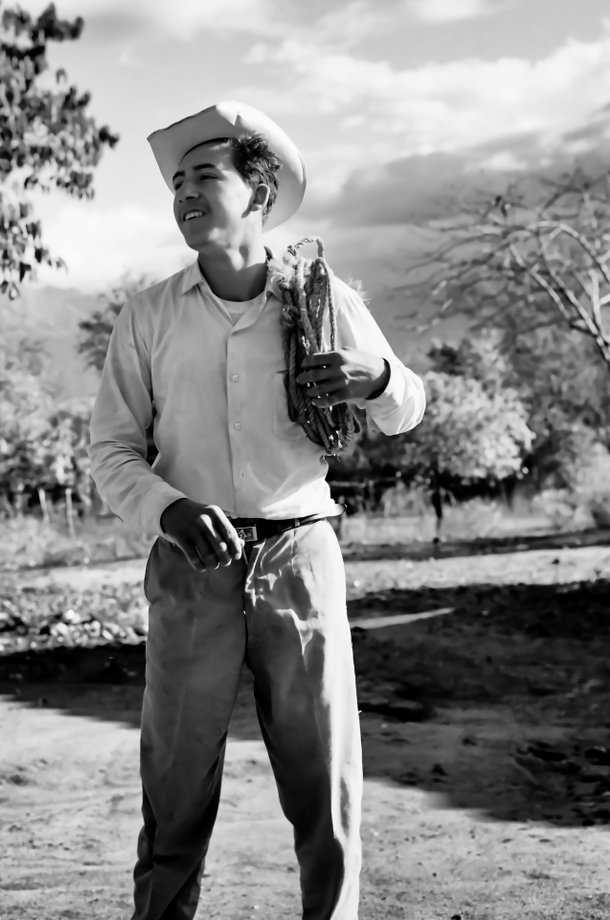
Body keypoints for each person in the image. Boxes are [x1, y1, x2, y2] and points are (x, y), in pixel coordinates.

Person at [89, 101, 425, 920]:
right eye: (176, 184)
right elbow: (112, 452)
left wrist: (374, 379)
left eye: (205, 177)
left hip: (300, 558)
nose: (184, 196)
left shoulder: (319, 298)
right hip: (188, 570)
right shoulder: (148, 316)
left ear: (259, 194)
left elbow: (407, 403)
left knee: (325, 783)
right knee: (173, 786)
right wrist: (168, 510)